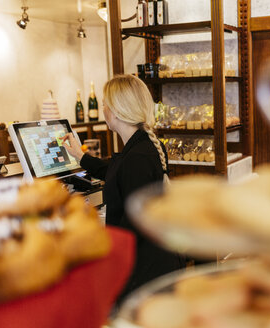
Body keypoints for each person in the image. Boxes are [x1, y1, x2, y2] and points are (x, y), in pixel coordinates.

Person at [61, 74, 184, 304]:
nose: (104, 108)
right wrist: (81, 156)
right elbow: (115, 170)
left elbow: (132, 226)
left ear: (116, 111)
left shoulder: (137, 157)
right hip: (158, 261)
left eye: (105, 103)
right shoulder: (143, 146)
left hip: (146, 274)